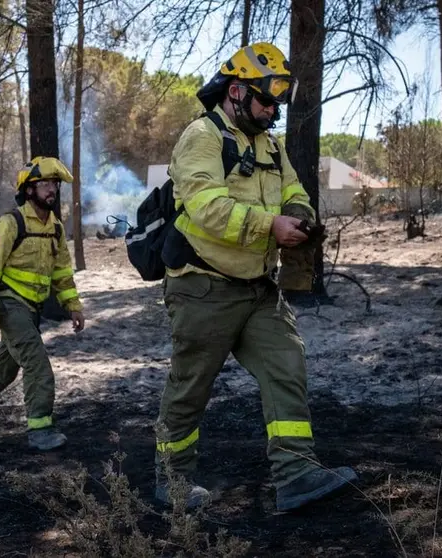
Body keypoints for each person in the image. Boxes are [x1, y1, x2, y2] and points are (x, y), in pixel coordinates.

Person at [154, 42, 357, 511]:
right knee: (190, 388)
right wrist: (270, 226)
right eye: (266, 100)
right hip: (203, 287)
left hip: (259, 289)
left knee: (287, 364)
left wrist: (298, 217)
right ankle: (172, 481)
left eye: (277, 103)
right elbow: (207, 209)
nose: (272, 111)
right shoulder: (202, 137)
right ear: (236, 91)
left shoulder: (269, 144)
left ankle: (296, 474)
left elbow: (295, 191)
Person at [0, 156, 86, 451]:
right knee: (37, 364)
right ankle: (40, 429)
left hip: (31, 308)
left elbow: (62, 273)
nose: (52, 190)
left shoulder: (55, 228)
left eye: (54, 184)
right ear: (29, 190)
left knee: (7, 366)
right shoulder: (10, 223)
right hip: (8, 303)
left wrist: (73, 306)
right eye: (45, 184)